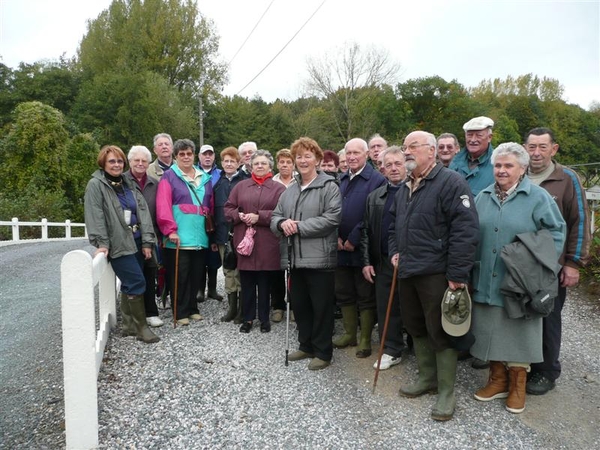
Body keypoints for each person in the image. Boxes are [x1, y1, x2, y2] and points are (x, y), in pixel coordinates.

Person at [389, 130, 479, 421]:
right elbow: (395, 226)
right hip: (407, 269)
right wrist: (395, 251)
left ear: (431, 150)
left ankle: (446, 392)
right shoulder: (405, 186)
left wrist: (457, 274)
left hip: (437, 272)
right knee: (415, 325)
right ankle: (427, 378)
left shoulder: (451, 182)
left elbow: (465, 231)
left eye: (412, 146)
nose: (407, 152)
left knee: (441, 330)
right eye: (405, 147)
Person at [470, 142, 565, 414]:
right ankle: (497, 379)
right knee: (490, 327)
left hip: (521, 280)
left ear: (522, 169)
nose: (501, 170)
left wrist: (536, 266)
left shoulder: (537, 197)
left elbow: (556, 233)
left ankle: (517, 385)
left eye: (508, 165)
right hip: (487, 274)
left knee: (520, 331)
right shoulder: (483, 196)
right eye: (498, 165)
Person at [524, 128, 591, 395]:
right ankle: (524, 363)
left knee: (548, 317)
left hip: (552, 265)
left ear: (554, 149)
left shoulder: (566, 178)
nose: (536, 152)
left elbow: (580, 221)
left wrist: (573, 263)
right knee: (523, 314)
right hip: (522, 263)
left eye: (542, 147)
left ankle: (547, 371)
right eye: (532, 147)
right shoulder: (520, 174)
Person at [271, 137, 342, 370]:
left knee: (321, 307)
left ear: (318, 159)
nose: (302, 160)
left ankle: (323, 352)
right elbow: (275, 217)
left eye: (307, 156)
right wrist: (282, 223)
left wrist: (298, 227)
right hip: (294, 259)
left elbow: (332, 219)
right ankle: (306, 345)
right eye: (298, 156)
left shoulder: (329, 187)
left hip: (320, 260)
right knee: (300, 304)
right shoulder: (289, 191)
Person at [84, 145, 159, 343]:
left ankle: (129, 326)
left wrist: (147, 241)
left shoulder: (128, 183)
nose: (116, 165)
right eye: (111, 161)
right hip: (118, 242)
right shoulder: (96, 185)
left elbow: (142, 211)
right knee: (136, 282)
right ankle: (142, 328)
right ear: (103, 163)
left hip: (137, 240)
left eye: (119, 161)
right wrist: (101, 243)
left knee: (131, 282)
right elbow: (95, 215)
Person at [333, 138, 386, 358]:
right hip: (338, 246)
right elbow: (332, 208)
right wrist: (335, 234)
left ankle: (365, 339)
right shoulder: (341, 179)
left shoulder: (376, 179)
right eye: (348, 153)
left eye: (356, 153)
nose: (352, 157)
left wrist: (354, 237)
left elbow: (372, 213)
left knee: (364, 294)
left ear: (366, 154)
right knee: (344, 291)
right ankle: (349, 333)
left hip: (362, 246)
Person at [225, 150, 286, 333]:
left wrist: (259, 217)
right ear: (250, 166)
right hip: (245, 242)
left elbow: (282, 213)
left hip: (268, 242)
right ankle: (248, 318)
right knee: (247, 282)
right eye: (256, 163)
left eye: (264, 163)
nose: (260, 166)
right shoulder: (241, 186)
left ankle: (264, 319)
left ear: (270, 166)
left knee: (265, 282)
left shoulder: (279, 189)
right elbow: (228, 208)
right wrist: (239, 215)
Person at [156, 139, 213, 326]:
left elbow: (209, 206)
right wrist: (169, 229)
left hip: (199, 237)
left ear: (194, 155)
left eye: (189, 153)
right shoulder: (169, 177)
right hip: (178, 236)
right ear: (176, 156)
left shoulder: (205, 178)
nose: (186, 157)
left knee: (196, 275)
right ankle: (179, 311)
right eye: (182, 154)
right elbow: (163, 205)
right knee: (179, 277)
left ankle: (192, 308)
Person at [360, 146, 406, 370]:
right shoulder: (374, 196)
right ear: (383, 169)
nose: (394, 168)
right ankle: (391, 349)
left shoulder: (417, 190)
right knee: (386, 308)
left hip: (413, 261)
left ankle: (421, 350)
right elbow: (366, 231)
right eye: (389, 165)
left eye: (398, 163)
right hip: (383, 261)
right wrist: (367, 261)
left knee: (413, 308)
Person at [123, 145, 163, 328]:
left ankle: (151, 312)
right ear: (129, 161)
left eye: (144, 160)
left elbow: (160, 211)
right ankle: (132, 318)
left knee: (149, 272)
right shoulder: (121, 182)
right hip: (128, 236)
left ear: (148, 163)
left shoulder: (155, 184)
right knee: (132, 275)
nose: (140, 163)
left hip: (150, 236)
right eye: (136, 160)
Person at [214, 146, 245, 323]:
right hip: (222, 234)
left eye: (232, 161)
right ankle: (231, 308)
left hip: (240, 234)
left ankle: (242, 309)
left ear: (238, 163)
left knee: (241, 271)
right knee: (228, 271)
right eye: (226, 161)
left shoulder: (244, 181)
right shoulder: (217, 182)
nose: (229, 164)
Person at [271, 148, 296, 322]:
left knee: (294, 270)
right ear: (277, 164)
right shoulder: (272, 182)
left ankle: (294, 305)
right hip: (275, 231)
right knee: (276, 270)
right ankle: (278, 305)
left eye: (288, 162)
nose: (285, 165)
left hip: (295, 229)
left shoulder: (299, 181)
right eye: (282, 162)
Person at [196, 144, 224, 303]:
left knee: (213, 256)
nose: (207, 157)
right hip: (198, 218)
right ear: (199, 156)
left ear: (214, 157)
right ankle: (200, 290)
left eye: (210, 154)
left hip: (215, 219)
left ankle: (212, 289)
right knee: (200, 255)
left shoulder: (220, 174)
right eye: (204, 154)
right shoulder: (193, 172)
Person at [450, 116, 495, 196]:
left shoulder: (497, 164)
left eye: (479, 135)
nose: (473, 140)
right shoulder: (455, 162)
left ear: (489, 137)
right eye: (469, 135)